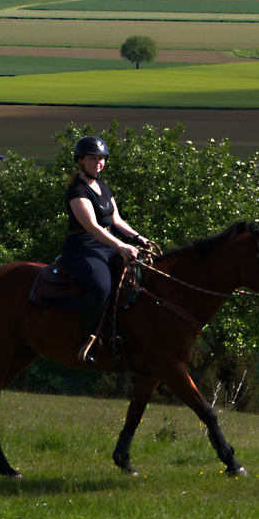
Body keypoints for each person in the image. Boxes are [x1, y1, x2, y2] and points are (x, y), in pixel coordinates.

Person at [59, 136, 153, 364]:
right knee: (101, 288)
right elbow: (91, 226)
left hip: (107, 245)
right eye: (93, 159)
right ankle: (87, 341)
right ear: (80, 161)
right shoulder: (77, 189)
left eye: (101, 159)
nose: (98, 163)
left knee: (137, 282)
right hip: (82, 248)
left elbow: (117, 220)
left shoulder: (102, 186)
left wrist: (136, 237)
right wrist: (121, 245)